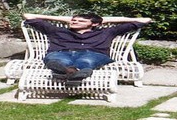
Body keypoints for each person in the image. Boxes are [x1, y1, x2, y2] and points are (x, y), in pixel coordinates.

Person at [22, 11, 153, 81]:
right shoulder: (57, 30)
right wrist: (65, 19)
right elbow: (28, 15)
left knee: (86, 60)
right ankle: (72, 71)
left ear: (94, 24)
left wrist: (104, 20)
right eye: (73, 20)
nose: (75, 22)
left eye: (81, 21)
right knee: (58, 60)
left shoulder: (107, 32)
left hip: (93, 54)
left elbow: (144, 20)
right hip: (62, 52)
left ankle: (73, 70)